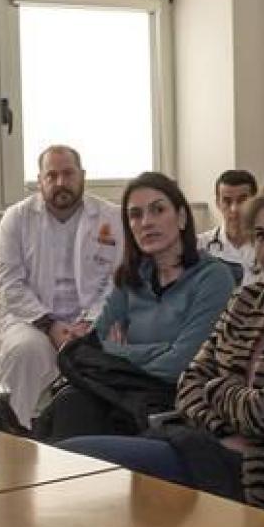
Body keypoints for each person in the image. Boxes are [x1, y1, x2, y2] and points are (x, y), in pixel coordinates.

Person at [57, 178, 264, 508]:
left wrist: (216, 390)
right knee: (72, 457)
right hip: (204, 448)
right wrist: (225, 427)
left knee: (84, 465)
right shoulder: (247, 300)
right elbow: (189, 383)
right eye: (261, 236)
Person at [31, 171, 240, 441]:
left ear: (181, 218)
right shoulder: (130, 277)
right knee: (69, 404)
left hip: (173, 405)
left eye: (158, 210)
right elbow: (91, 347)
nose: (146, 222)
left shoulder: (213, 278)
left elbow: (180, 365)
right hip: (119, 393)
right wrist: (160, 348)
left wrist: (122, 352)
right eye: (135, 215)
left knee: (76, 420)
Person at [0, 144, 124, 429]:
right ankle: (16, 434)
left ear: (83, 176)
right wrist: (49, 325)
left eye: (68, 173)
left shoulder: (112, 217)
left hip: (94, 320)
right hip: (32, 320)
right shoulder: (16, 218)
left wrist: (89, 323)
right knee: (24, 351)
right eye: (51, 175)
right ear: (39, 180)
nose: (60, 182)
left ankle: (95, 436)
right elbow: (8, 282)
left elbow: (119, 279)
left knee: (111, 353)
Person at [198, 168, 260, 285]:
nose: (234, 209)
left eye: (242, 200)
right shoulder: (200, 246)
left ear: (255, 201)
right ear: (217, 203)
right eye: (227, 201)